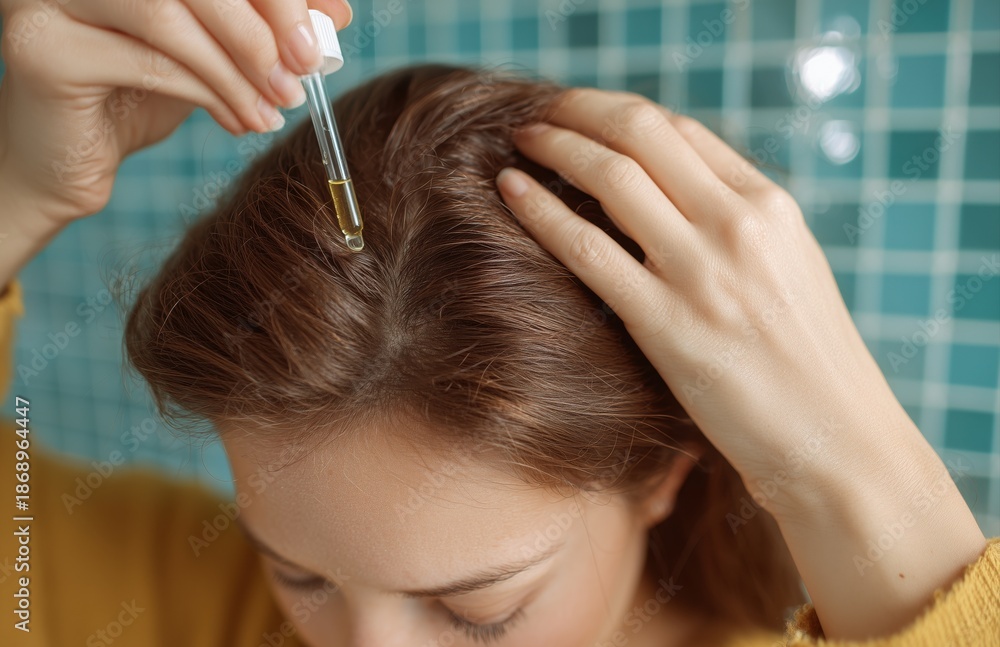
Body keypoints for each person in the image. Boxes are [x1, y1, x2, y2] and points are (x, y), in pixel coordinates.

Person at [0, 1, 997, 646]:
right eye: (296, 570)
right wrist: (20, 188)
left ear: (660, 475)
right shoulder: (197, 608)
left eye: (477, 608)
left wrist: (854, 465)